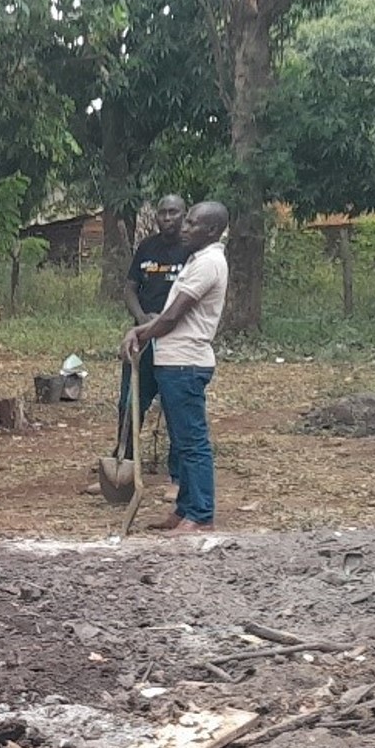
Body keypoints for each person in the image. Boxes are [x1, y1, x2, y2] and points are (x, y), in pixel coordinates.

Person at [123, 200, 230, 535]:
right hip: (176, 361)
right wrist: (141, 331)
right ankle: (184, 510)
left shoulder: (208, 263)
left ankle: (200, 515)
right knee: (183, 442)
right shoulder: (199, 259)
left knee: (193, 443)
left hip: (185, 363)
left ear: (211, 230)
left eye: (192, 223)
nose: (184, 227)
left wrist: (139, 334)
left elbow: (170, 318)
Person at [118, 195, 187, 482]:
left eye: (174, 212)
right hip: (142, 338)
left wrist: (161, 321)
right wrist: (142, 317)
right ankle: (124, 469)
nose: (167, 218)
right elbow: (130, 288)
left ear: (185, 215)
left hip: (176, 341)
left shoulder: (192, 252)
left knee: (175, 409)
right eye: (162, 213)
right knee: (129, 403)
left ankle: (177, 477)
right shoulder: (146, 248)